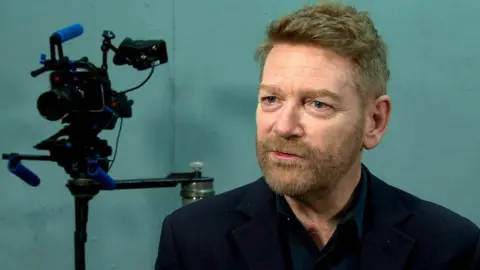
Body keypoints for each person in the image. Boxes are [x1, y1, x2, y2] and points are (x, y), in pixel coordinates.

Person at [154, 2, 480, 270]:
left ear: (375, 121)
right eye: (271, 99)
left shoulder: (450, 248)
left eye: (317, 104)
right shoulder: (191, 240)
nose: (283, 127)